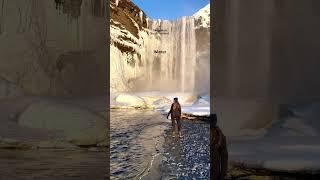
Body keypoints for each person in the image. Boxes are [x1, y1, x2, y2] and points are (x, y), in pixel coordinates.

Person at [210, 114, 228, 180]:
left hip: (214, 173)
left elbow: (224, 157)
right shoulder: (220, 135)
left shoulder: (219, 135)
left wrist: (223, 175)